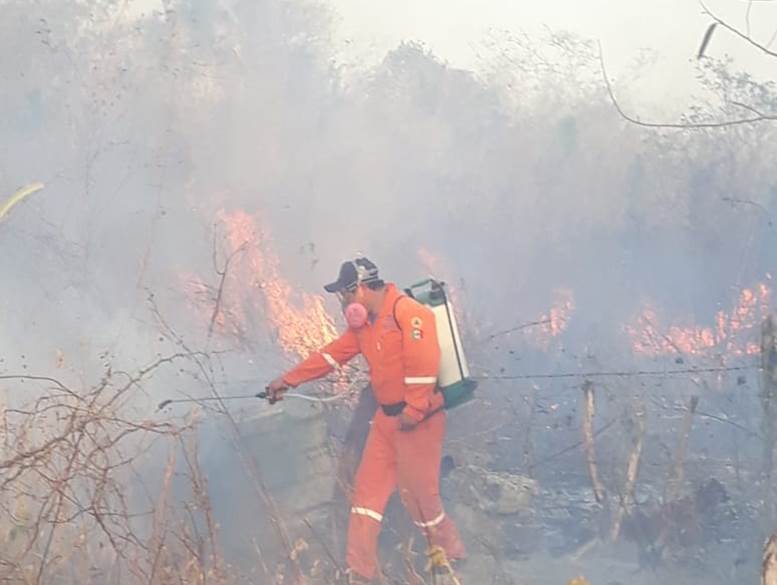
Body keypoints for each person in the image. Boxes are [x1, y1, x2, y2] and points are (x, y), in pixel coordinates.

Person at [267, 257, 465, 583]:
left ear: (359, 288)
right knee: (365, 498)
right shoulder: (363, 327)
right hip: (387, 422)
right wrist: (288, 381)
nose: (342, 301)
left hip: (419, 422)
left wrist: (414, 411)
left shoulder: (407, 313)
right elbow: (330, 356)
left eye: (343, 294)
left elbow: (425, 360)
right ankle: (359, 572)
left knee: (420, 497)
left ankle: (451, 556)